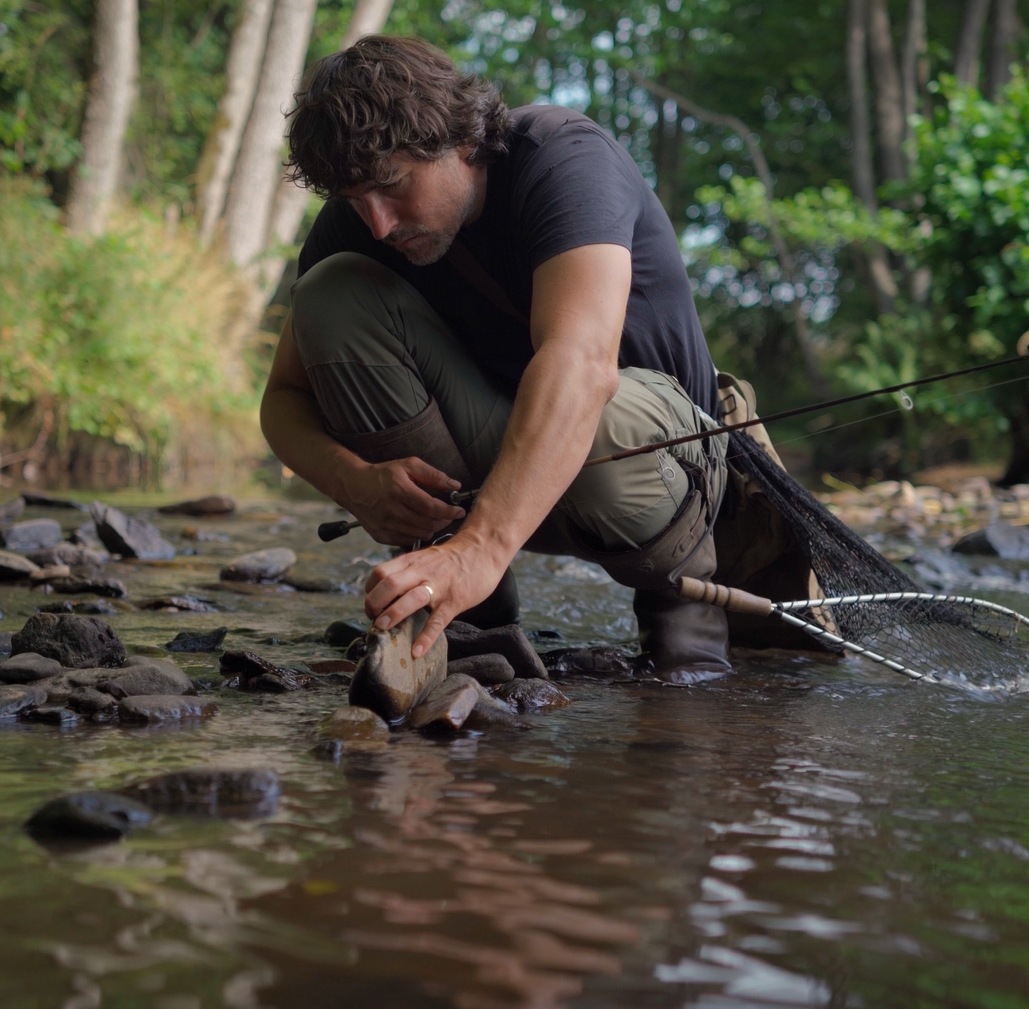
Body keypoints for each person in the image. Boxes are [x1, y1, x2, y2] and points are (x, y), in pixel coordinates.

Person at [258, 35, 739, 683]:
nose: (377, 223)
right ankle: (465, 615)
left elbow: (580, 364)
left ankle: (682, 612)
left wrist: (481, 548)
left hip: (655, 470)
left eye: (392, 186)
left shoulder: (564, 158)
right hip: (500, 467)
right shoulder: (363, 225)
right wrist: (354, 482)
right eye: (353, 200)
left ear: (459, 140)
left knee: (593, 414)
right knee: (328, 290)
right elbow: (284, 401)